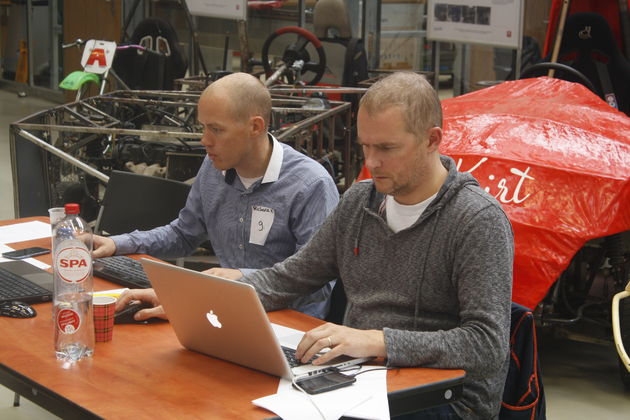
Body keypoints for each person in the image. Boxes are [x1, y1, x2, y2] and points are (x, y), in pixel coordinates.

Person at [120, 72, 513, 419]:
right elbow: (290, 278)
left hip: (444, 398)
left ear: (432, 140)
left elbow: (487, 345)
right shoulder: (361, 202)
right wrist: (191, 297)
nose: (372, 162)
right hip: (363, 380)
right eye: (365, 147)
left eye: (387, 148)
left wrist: (379, 340)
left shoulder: (476, 220)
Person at [94, 72, 339, 319]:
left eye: (216, 129)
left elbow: (315, 281)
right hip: (223, 309)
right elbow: (183, 234)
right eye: (203, 127)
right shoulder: (213, 167)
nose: (205, 140)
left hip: (289, 325)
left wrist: (242, 279)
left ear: (255, 126)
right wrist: (117, 243)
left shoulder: (310, 185)